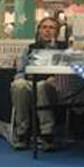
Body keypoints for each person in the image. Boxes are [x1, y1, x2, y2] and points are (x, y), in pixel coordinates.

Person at [10, 16, 68, 151]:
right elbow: (20, 71)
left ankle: (47, 134)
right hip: (30, 82)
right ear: (39, 31)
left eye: (51, 28)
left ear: (57, 32)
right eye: (44, 27)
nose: (47, 31)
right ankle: (22, 133)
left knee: (42, 86)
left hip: (54, 86)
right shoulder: (30, 49)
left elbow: (69, 72)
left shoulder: (64, 49)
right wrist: (20, 78)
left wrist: (57, 78)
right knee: (19, 86)